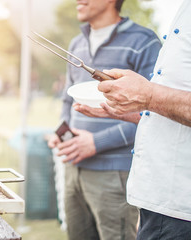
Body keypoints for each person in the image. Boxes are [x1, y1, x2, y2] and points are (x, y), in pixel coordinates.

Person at [74, 1, 191, 239]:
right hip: (155, 199)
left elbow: (152, 97)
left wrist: (148, 96)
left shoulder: (145, 40)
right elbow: (167, 108)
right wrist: (123, 110)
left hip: (180, 206)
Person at [46, 0, 161, 239]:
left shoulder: (145, 42)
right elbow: (68, 100)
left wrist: (96, 142)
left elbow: (155, 114)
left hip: (114, 173)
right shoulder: (76, 43)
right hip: (73, 168)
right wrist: (60, 132)